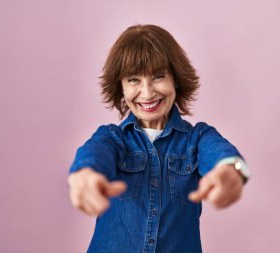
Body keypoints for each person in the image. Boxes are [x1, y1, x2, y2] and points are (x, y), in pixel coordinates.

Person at [68, 24, 250, 253]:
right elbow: (93, 156)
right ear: (121, 87)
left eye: (158, 76)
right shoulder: (112, 138)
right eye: (133, 80)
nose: (147, 93)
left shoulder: (197, 138)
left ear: (176, 79)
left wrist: (232, 171)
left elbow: (224, 157)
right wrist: (84, 174)